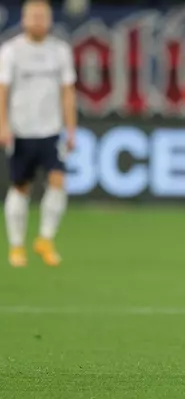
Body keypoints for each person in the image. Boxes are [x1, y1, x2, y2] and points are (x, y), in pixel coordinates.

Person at [0, 0, 77, 268]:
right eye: (33, 16)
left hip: (51, 130)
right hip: (21, 130)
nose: (38, 20)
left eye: (42, 16)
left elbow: (68, 92)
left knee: (58, 180)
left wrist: (71, 128)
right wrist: (2, 124)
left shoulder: (60, 51)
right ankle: (16, 245)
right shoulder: (11, 51)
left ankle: (45, 238)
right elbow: (2, 90)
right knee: (20, 185)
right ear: (23, 19)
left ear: (50, 19)